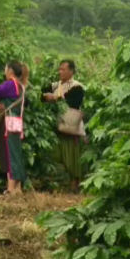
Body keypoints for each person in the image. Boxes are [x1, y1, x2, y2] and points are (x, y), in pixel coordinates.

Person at [0, 61, 30, 195]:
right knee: (16, 152)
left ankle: (10, 189)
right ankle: (17, 188)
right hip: (16, 122)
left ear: (10, 71)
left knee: (9, 153)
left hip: (8, 122)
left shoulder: (10, 84)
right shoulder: (21, 85)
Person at [42, 60, 86, 191]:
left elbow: (74, 102)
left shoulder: (77, 87)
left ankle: (75, 184)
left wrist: (56, 98)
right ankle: (61, 182)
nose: (60, 72)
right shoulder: (55, 85)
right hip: (56, 125)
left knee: (72, 155)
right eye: (59, 69)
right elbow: (41, 96)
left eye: (63, 69)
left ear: (71, 71)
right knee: (57, 154)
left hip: (70, 126)